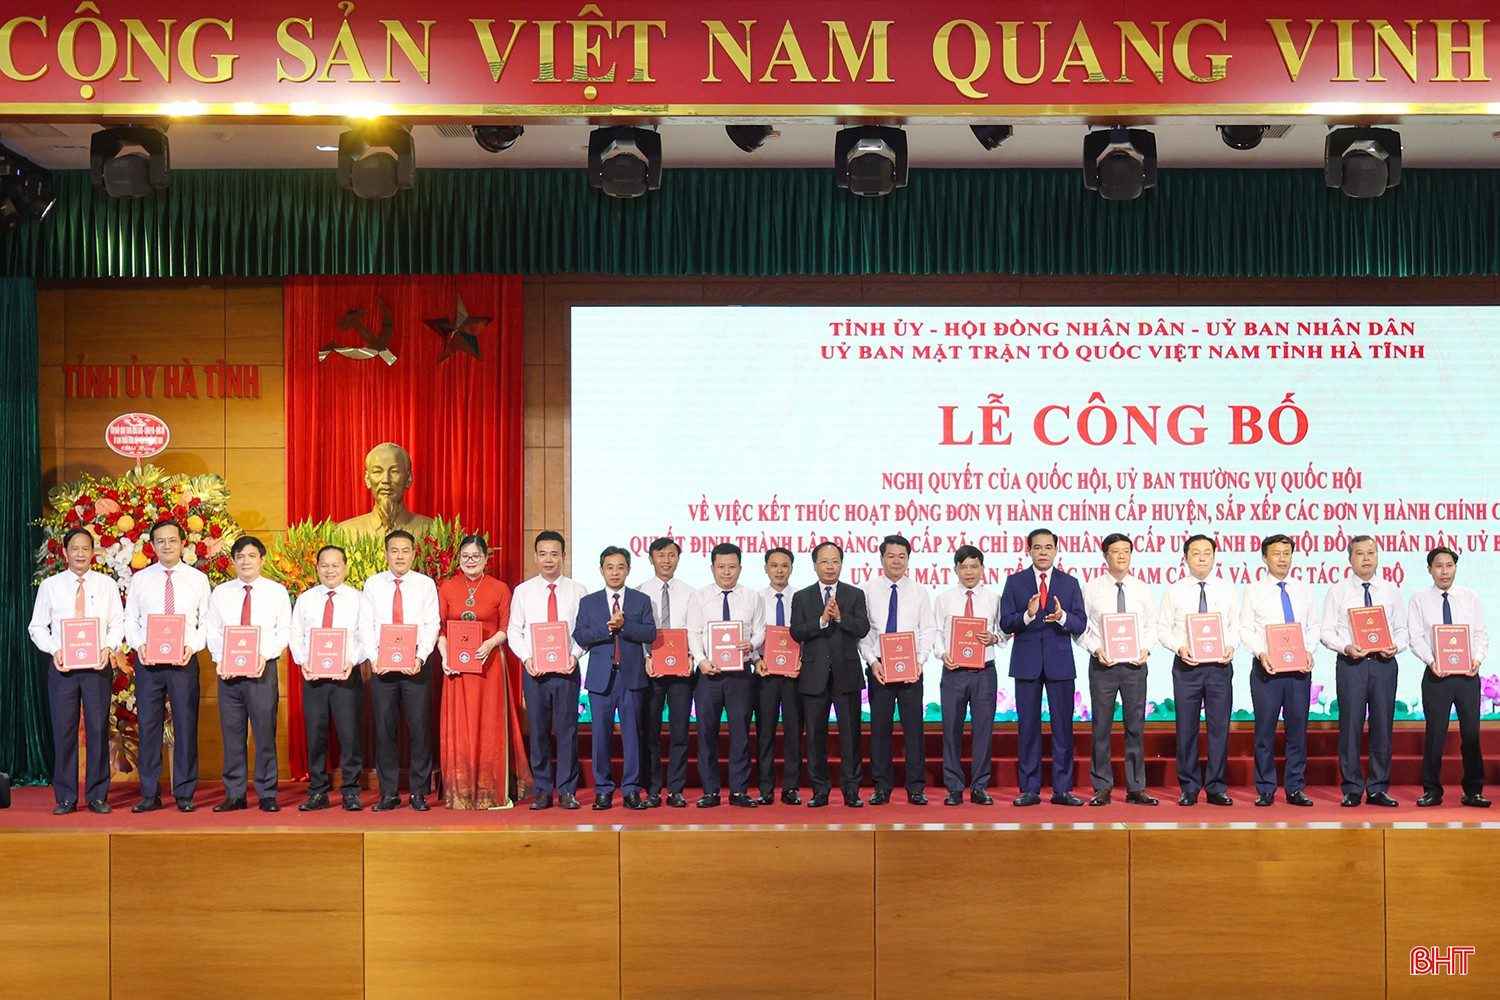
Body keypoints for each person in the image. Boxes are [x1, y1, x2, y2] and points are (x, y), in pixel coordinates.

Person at [27, 527, 124, 815]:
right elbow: (37, 627)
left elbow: (117, 623)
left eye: (85, 548)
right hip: (63, 669)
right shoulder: (50, 586)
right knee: (64, 732)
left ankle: (97, 796)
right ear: (65, 552)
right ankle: (66, 797)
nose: (80, 554)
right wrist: (54, 650)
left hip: (97, 668)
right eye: (74, 549)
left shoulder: (107, 585)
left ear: (93, 552)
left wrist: (108, 647)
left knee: (98, 730)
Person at [122, 519, 211, 813]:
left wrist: (192, 647)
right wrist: (140, 645)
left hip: (183, 662)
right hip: (148, 664)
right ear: (152, 545)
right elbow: (130, 620)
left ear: (183, 543)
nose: (167, 546)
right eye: (160, 541)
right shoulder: (141, 579)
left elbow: (207, 621)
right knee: (148, 727)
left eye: (172, 540)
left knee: (185, 725)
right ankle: (150, 793)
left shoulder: (197, 579)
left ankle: (184, 792)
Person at [204, 535, 292, 812]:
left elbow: (284, 631)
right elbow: (212, 630)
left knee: (265, 733)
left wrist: (263, 655)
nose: (245, 561)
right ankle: (235, 794)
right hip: (228, 674)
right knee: (232, 734)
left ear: (262, 560)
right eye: (240, 556)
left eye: (251, 556)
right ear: (233, 561)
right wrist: (220, 659)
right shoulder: (221, 593)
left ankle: (267, 793)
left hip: (262, 671)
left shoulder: (276, 592)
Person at [1000, 528, 1087, 807]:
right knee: (1028, 729)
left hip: (1060, 663)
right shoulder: (1015, 582)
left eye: (1048, 547)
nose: (1043, 552)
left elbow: (1080, 623)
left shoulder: (1069, 583)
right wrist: (1028, 615)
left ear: (1056, 550)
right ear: (1029, 551)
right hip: (1026, 664)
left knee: (1063, 728)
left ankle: (1062, 789)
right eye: (1037, 547)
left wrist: (1062, 617)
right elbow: (1005, 623)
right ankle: (1030, 789)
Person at [1320, 535, 1406, 807]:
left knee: (1382, 726)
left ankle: (1378, 787)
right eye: (1360, 553)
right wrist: (1345, 647)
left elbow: (1402, 629)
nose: (1366, 558)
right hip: (1351, 665)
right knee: (1350, 727)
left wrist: (1396, 646)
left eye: (1371, 552)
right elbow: (1326, 632)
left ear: (1378, 556)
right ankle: (1352, 788)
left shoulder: (1390, 590)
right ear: (1350, 558)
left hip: (1383, 664)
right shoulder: (1338, 590)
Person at [1155, 534, 1238, 807]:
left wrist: (1231, 646)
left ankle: (1216, 787)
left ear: (1214, 558)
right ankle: (1189, 787)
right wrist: (1180, 647)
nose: (1202, 558)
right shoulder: (1174, 590)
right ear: (1185, 558)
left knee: (1219, 728)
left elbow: (1235, 626)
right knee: (1186, 729)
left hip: (1219, 667)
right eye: (1196, 553)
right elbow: (1163, 629)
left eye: (1207, 553)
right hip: (1187, 668)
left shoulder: (1227, 589)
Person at [1075, 532, 1158, 806]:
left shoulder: (1142, 588)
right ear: (1105, 556)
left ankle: (1136, 788)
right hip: (1103, 667)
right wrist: (1095, 648)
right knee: (1101, 726)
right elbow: (1080, 629)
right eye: (1115, 551)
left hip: (1135, 666)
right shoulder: (1091, 589)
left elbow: (1151, 625)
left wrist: (1146, 648)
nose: (1121, 556)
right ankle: (1102, 786)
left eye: (1126, 551)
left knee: (1135, 726)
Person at [507, 530, 587, 811]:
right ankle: (542, 790)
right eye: (543, 554)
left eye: (554, 554)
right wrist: (527, 658)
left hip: (567, 671)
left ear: (563, 556)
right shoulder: (523, 591)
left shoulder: (578, 590)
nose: (549, 559)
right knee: (539, 732)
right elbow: (514, 631)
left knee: (567, 732)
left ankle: (566, 791)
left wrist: (575, 655)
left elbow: (583, 631)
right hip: (535, 672)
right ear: (535, 556)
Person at [362, 529, 441, 812]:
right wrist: (374, 658)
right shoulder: (373, 585)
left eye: (405, 551)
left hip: (416, 666)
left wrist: (420, 657)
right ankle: (389, 794)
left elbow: (432, 623)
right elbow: (365, 624)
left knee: (420, 730)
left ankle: (419, 793)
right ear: (385, 554)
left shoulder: (425, 584)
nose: (399, 556)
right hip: (383, 668)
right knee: (385, 731)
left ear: (414, 554)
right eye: (394, 551)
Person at [1239, 534, 1320, 807]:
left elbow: (1313, 626)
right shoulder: (1254, 590)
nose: (1282, 559)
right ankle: (1265, 788)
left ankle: (1295, 787)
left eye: (1287, 553)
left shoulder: (1305, 589)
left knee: (1297, 731)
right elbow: (1245, 629)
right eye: (1276, 554)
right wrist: (1261, 652)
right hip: (1267, 670)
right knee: (1265, 732)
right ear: (1265, 557)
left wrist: (1309, 650)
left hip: (1298, 671)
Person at [574, 546, 656, 810]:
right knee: (600, 737)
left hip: (631, 678)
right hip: (601, 680)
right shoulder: (589, 602)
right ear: (601, 570)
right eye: (609, 567)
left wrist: (625, 626)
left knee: (632, 737)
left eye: (620, 567)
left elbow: (650, 633)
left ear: (628, 570)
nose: (615, 572)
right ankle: (603, 790)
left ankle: (631, 790)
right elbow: (581, 635)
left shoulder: (641, 600)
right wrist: (607, 628)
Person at [289, 545, 370, 812]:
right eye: (324, 565)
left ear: (346, 567)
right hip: (314, 677)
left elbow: (365, 636)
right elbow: (295, 635)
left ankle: (351, 791)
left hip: (346, 675)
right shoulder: (305, 599)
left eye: (335, 565)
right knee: (316, 735)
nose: (330, 570)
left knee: (350, 736)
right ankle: (317, 792)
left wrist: (352, 661)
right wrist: (304, 660)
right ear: (317, 568)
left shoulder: (359, 599)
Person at [790, 541, 871, 808]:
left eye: (835, 561)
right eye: (824, 561)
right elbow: (796, 631)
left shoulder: (854, 594)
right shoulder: (802, 596)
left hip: (846, 674)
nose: (829, 566)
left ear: (841, 564)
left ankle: (851, 790)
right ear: (815, 565)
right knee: (815, 736)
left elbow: (862, 627)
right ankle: (820, 790)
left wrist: (839, 618)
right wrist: (821, 621)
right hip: (814, 676)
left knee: (850, 735)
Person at [1408, 546, 1490, 808]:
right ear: (1429, 569)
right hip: (1436, 676)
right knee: (1435, 734)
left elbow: (1480, 633)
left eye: (1449, 565)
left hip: (1467, 676)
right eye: (1439, 566)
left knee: (1471, 734)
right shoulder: (1419, 599)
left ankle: (1474, 791)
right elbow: (1415, 638)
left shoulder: (1471, 597)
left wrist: (1477, 659)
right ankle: (1432, 790)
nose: (1445, 571)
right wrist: (1431, 661)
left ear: (1456, 567)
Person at [436, 535, 513, 810]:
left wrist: (490, 644)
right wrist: (444, 656)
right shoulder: (448, 588)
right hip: (457, 669)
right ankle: (461, 790)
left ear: (485, 559)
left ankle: (489, 790)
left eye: (476, 556)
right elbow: (441, 628)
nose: (470, 561)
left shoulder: (500, 588)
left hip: (488, 666)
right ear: (458, 559)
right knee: (460, 725)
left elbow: (506, 628)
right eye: (465, 556)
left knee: (488, 724)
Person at [687, 542, 766, 808]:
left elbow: (760, 630)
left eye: (732, 566)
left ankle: (738, 791)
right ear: (712, 568)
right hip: (708, 675)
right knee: (706, 733)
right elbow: (693, 633)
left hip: (740, 674)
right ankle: (710, 791)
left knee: (740, 733)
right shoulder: (699, 597)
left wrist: (752, 644)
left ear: (740, 568)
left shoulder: (752, 596)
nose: (726, 572)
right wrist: (701, 660)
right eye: (721, 566)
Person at [859, 534, 936, 806]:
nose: (896, 561)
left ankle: (915, 788)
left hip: (911, 670)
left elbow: (928, 629)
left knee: (914, 730)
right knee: (880, 730)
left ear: (908, 560)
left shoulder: (919, 591)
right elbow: (864, 632)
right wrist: (872, 662)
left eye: (901, 556)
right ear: (881, 559)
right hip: (880, 669)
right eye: (891, 556)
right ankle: (882, 787)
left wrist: (920, 661)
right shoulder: (866, 590)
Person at [932, 544, 1005, 806]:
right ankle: (954, 788)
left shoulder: (994, 598)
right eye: (963, 567)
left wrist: (994, 638)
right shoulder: (944, 598)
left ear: (983, 568)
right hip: (954, 672)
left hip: (984, 672)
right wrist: (943, 654)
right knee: (951, 730)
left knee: (983, 731)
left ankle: (979, 787)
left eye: (974, 566)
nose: (969, 572)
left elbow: (1004, 632)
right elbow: (936, 633)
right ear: (956, 570)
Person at [635, 536, 696, 808]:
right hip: (652, 671)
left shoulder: (691, 593)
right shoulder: (639, 592)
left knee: (680, 732)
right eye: (660, 556)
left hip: (682, 672)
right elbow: (637, 633)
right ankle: (653, 789)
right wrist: (646, 657)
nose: (666, 561)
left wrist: (693, 655)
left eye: (671, 555)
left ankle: (676, 790)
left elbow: (695, 629)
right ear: (651, 559)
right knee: (650, 732)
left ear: (678, 559)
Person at [755, 547, 803, 805]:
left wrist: (804, 660)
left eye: (785, 565)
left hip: (795, 674)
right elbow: (750, 634)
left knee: (794, 732)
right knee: (765, 733)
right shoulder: (756, 599)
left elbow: (808, 635)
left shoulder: (802, 598)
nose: (779, 570)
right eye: (774, 565)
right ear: (765, 568)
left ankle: (790, 788)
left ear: (792, 568)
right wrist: (756, 660)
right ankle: (765, 788)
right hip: (766, 673)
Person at [337, 442, 436, 538]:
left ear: (408, 479)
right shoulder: (345, 532)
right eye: (377, 472)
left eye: (394, 471)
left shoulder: (432, 530)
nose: (386, 480)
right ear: (367, 480)